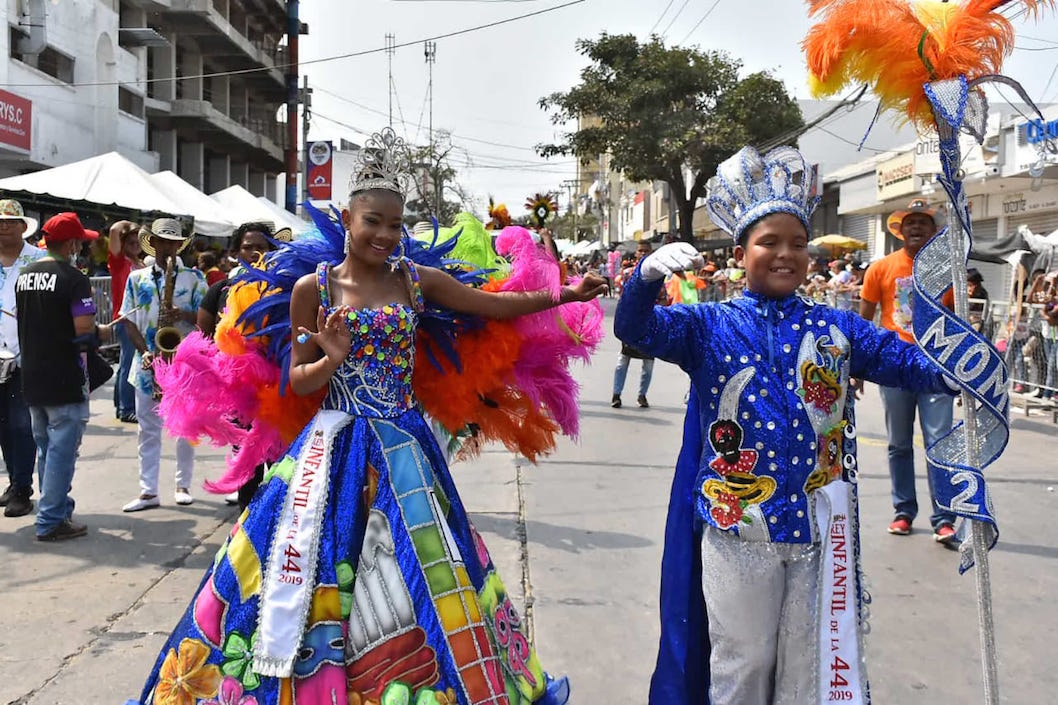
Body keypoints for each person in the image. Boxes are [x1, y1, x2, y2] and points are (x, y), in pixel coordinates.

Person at [129, 128, 603, 705]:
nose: (384, 234)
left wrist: (566, 294)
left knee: (418, 566)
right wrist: (329, 358)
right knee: (305, 560)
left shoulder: (415, 280)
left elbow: (494, 306)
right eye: (373, 221)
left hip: (407, 449)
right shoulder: (314, 289)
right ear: (348, 221)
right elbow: (296, 379)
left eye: (395, 224)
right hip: (332, 447)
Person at [616, 146, 958, 705]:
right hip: (737, 531)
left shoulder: (837, 327)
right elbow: (636, 330)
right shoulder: (706, 326)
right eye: (768, 242)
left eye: (798, 244)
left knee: (807, 672)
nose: (785, 254)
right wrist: (645, 278)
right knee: (744, 666)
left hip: (818, 533)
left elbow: (911, 364)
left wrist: (966, 368)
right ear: (741, 251)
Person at [860, 198, 958, 544]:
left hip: (936, 369)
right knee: (899, 445)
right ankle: (904, 511)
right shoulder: (881, 268)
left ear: (935, 231)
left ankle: (944, 518)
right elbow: (865, 320)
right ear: (900, 231)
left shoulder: (949, 271)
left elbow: (959, 322)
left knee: (939, 445)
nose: (916, 228)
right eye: (910, 223)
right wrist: (858, 365)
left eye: (923, 223)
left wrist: (965, 369)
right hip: (894, 368)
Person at [15, 213, 102, 541]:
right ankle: (51, 520)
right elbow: (84, 330)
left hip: (33, 374)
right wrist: (99, 331)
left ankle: (56, 507)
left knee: (46, 447)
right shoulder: (73, 278)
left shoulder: (25, 274)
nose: (81, 246)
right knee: (62, 451)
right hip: (64, 376)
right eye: (79, 241)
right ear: (71, 244)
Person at [120, 219, 207, 512]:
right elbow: (128, 320)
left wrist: (181, 312)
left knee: (185, 428)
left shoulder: (194, 278)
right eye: (162, 241)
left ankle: (183, 485)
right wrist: (144, 351)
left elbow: (208, 320)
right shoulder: (137, 279)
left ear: (179, 245)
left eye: (173, 242)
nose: (167, 247)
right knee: (147, 429)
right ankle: (148, 491)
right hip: (147, 362)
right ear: (153, 243)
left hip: (183, 363)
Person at [0, 199, 43, 518]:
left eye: (10, 222)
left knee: (20, 424)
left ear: (23, 226)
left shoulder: (38, 260)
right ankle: (14, 480)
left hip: (26, 354)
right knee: (3, 425)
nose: (4, 226)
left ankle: (22, 488)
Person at [613, 240, 660, 408]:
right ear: (636, 253)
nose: (643, 253)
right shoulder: (627, 274)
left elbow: (663, 298)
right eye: (640, 250)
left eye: (646, 250)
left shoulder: (658, 275)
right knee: (622, 362)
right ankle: (616, 394)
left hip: (650, 322)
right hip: (631, 320)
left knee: (648, 365)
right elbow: (622, 297)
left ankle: (642, 395)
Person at [109, 221, 144, 423]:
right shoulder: (120, 261)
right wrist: (131, 224)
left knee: (126, 362)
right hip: (125, 318)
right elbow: (114, 230)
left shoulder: (141, 263)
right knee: (129, 363)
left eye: (138, 241)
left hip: (138, 319)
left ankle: (121, 405)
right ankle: (127, 408)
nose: (135, 245)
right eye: (130, 241)